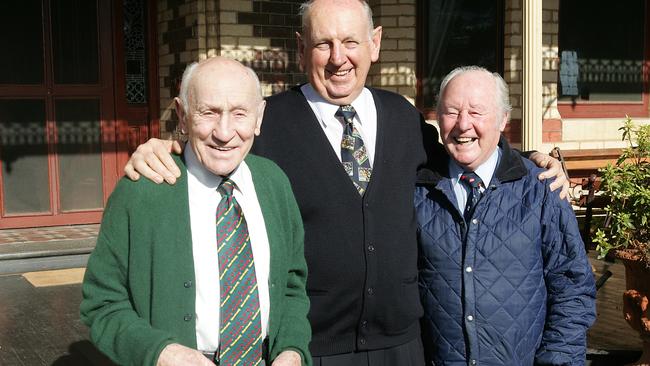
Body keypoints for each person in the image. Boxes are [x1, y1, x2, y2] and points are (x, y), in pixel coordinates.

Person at [122, 1, 569, 364]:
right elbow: (214, 154)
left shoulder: (404, 118)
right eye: (323, 44)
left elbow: (467, 152)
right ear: (301, 49)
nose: (339, 58)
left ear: (374, 44)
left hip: (403, 346)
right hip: (309, 348)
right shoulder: (266, 124)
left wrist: (530, 160)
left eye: (351, 42)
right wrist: (167, 147)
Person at [80, 57, 311, 366]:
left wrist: (293, 349)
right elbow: (102, 305)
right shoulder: (141, 192)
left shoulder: (274, 183)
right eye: (209, 113)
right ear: (182, 115)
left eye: (239, 113)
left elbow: (292, 287)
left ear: (259, 117)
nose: (224, 132)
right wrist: (161, 353)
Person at [415, 66, 596, 366]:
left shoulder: (541, 189)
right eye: (451, 112)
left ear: (503, 119)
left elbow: (572, 288)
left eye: (476, 112)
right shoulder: (418, 191)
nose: (463, 125)